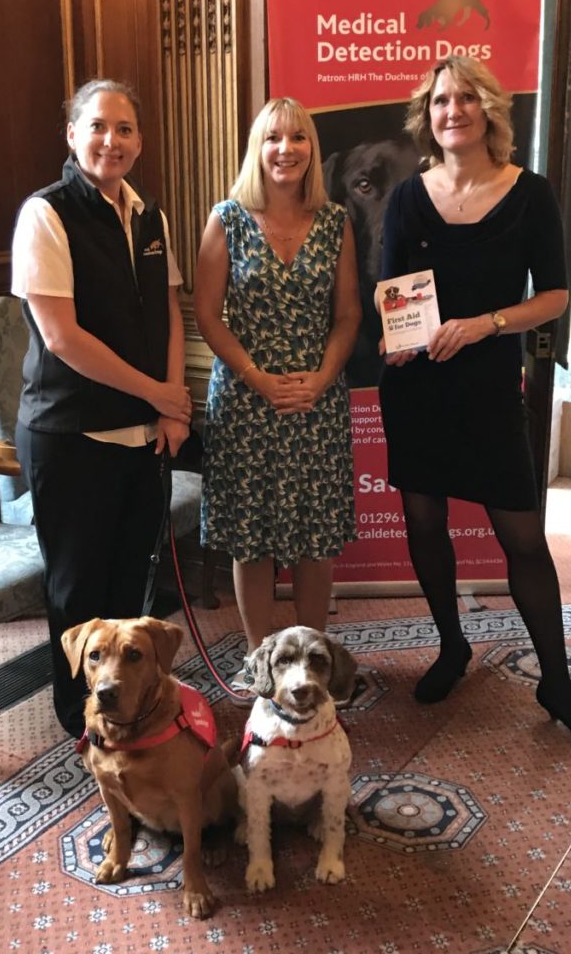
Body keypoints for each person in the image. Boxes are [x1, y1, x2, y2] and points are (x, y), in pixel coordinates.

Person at [378, 56, 571, 754]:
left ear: (488, 109)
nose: (451, 111)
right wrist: (396, 338)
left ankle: (557, 684)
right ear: (428, 116)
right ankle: (452, 647)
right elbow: (392, 293)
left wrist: (485, 324)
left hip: (487, 387)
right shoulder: (405, 197)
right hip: (418, 388)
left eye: (464, 99)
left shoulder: (531, 194)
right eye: (438, 101)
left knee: (522, 538)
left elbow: (554, 296)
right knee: (423, 521)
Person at [12, 79, 192, 737]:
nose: (109, 140)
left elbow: (169, 310)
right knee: (79, 593)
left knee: (127, 594)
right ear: (72, 135)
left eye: (123, 129)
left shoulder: (151, 216)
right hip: (70, 435)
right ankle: (81, 718)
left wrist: (172, 407)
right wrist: (157, 393)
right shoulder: (46, 213)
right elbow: (62, 337)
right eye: (96, 126)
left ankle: (129, 704)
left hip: (143, 432)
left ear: (139, 142)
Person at [194, 97, 361, 701]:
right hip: (245, 400)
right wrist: (258, 377)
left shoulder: (336, 221)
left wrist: (319, 376)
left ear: (312, 150)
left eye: (297, 139)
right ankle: (258, 659)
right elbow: (208, 315)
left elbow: (348, 315)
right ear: (257, 149)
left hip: (317, 401)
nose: (285, 150)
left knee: (315, 538)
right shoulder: (228, 217)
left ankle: (310, 662)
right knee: (253, 537)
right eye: (273, 139)